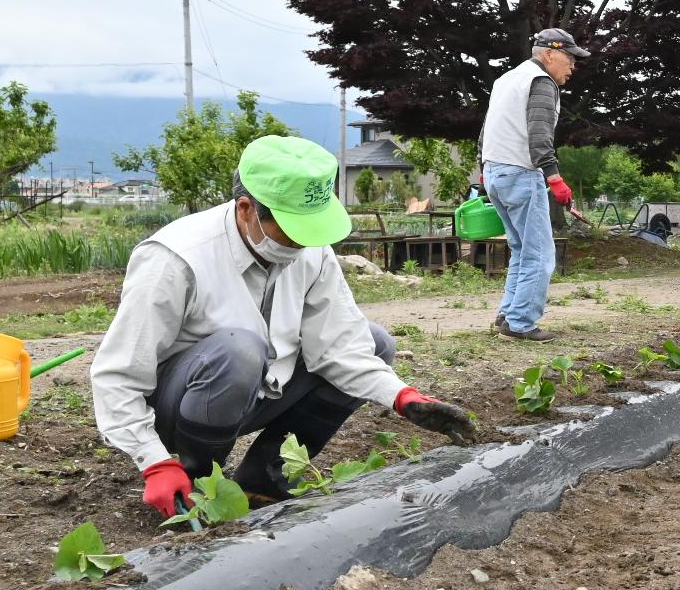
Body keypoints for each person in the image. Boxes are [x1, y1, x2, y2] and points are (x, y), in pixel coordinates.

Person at [92, 136, 477, 518]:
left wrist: (403, 396)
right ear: (246, 209)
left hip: (258, 394)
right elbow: (118, 376)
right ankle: (196, 483)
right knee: (239, 350)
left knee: (374, 343)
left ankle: (264, 480)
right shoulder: (176, 259)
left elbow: (343, 346)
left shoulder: (310, 251)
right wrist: (154, 461)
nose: (301, 243)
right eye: (290, 229)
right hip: (177, 408)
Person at [479, 27, 590, 341]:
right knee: (540, 254)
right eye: (569, 58)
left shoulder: (506, 80)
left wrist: (484, 171)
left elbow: (486, 129)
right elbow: (539, 135)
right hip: (520, 173)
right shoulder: (541, 82)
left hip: (496, 172)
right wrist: (555, 178)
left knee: (521, 249)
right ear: (549, 53)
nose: (572, 66)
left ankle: (507, 315)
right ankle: (521, 323)